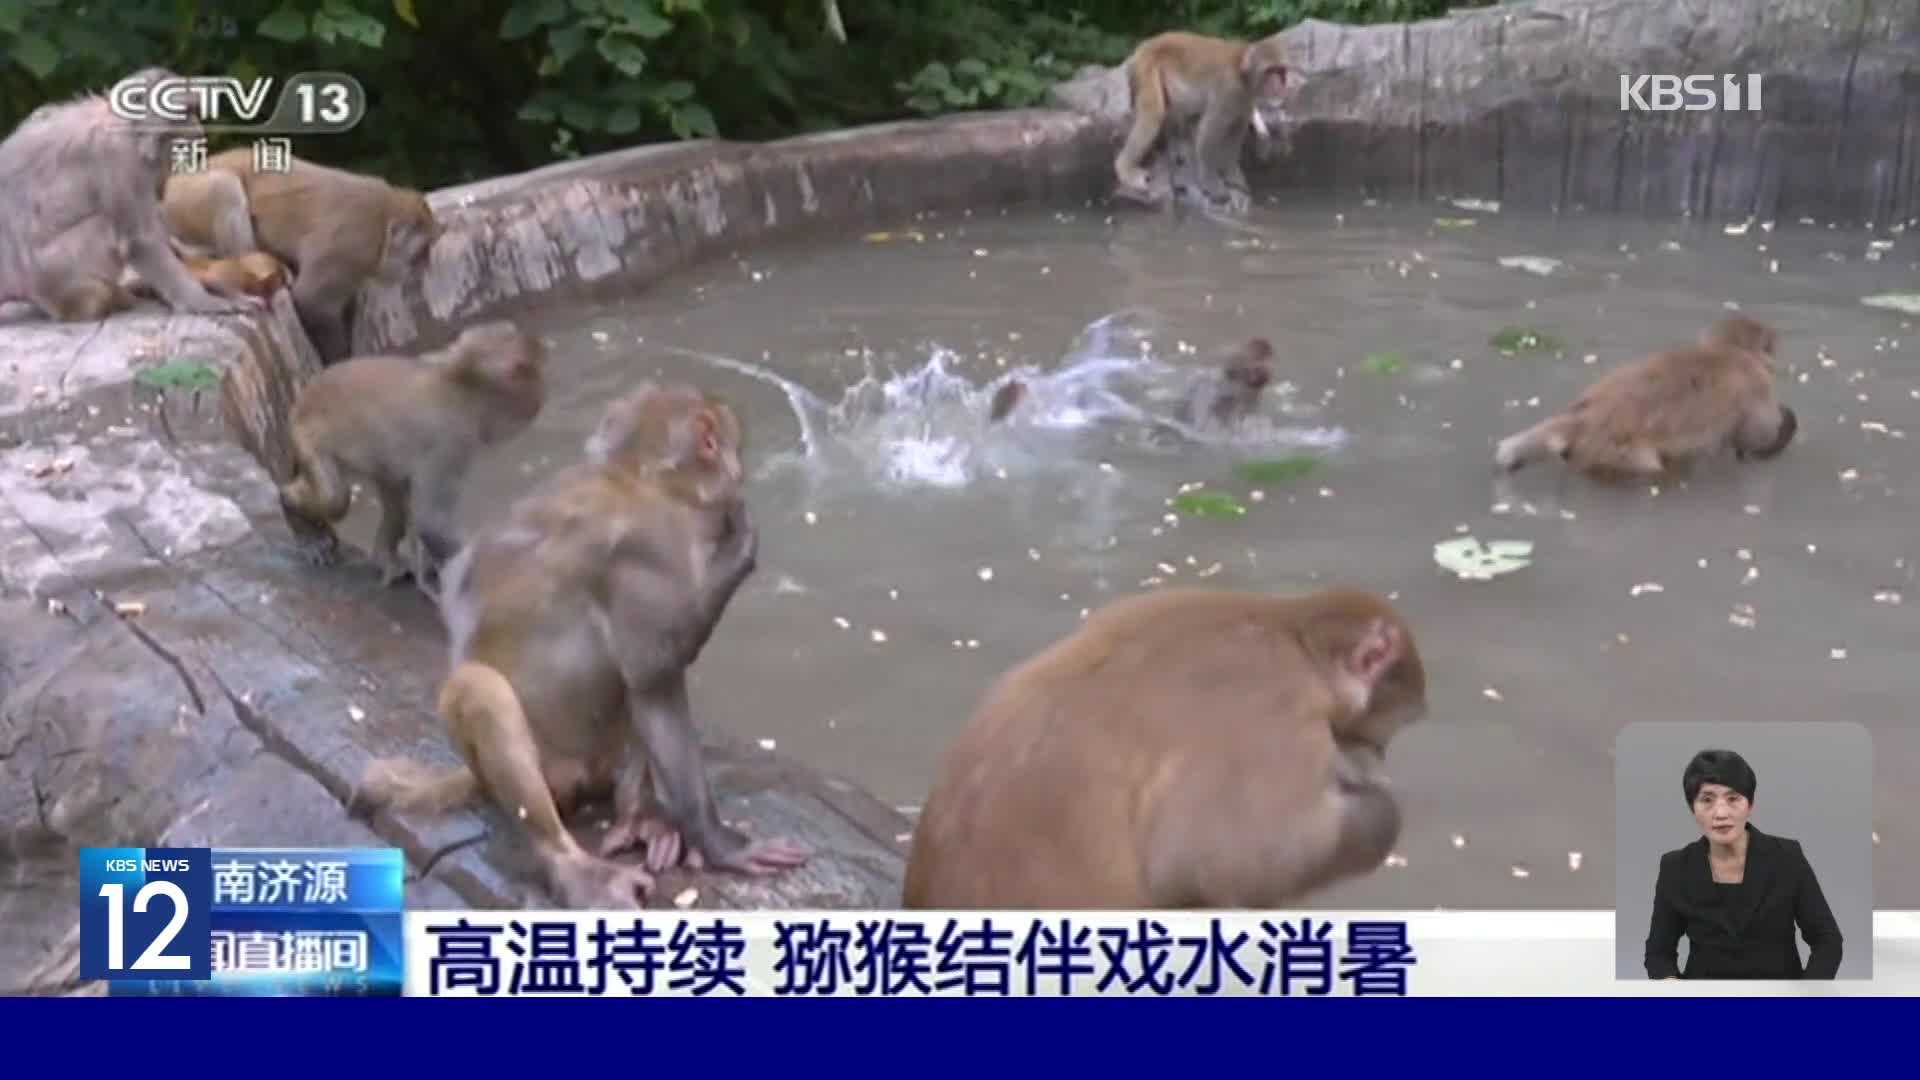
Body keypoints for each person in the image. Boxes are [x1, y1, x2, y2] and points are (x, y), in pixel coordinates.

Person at [1643, 749, 1844, 979]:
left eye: (1733, 798)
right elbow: (1659, 953)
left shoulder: (1787, 857)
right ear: (1692, 808)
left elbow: (1827, 940)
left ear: (1750, 804)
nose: (1721, 813)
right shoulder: (1675, 867)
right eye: (1707, 800)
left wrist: (1807, 996)